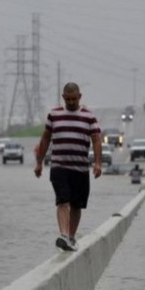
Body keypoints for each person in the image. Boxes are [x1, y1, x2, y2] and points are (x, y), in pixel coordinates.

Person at [34, 82, 102, 252]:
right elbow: (45, 138)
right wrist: (39, 163)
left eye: (74, 99)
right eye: (68, 99)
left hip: (80, 169)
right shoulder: (54, 115)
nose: (71, 102)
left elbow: (96, 139)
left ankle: (71, 237)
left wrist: (98, 163)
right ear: (63, 98)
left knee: (77, 205)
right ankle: (64, 235)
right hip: (59, 167)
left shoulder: (89, 117)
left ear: (80, 97)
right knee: (63, 200)